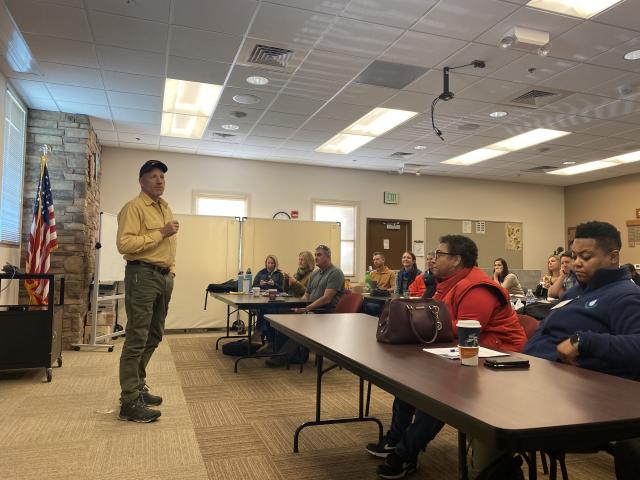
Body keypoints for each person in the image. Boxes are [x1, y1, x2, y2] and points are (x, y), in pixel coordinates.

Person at [473, 221, 640, 478]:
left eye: (586, 257)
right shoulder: (575, 293)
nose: (576, 263)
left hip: (576, 400)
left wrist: (584, 341)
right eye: (574, 256)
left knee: (487, 416)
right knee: (475, 406)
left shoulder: (625, 296)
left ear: (613, 256)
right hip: (534, 378)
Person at [366, 235, 527, 479]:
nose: (433, 258)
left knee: (439, 395)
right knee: (410, 383)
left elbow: (462, 330)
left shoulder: (477, 287)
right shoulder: (448, 283)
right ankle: (397, 439)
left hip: (498, 362)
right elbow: (439, 323)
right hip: (465, 356)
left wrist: (414, 326)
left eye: (439, 254)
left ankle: (404, 454)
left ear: (456, 260)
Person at [116, 160, 178, 423]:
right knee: (137, 336)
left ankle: (138, 385)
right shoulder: (134, 207)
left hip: (164, 277)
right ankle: (129, 400)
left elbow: (170, 246)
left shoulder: (165, 207)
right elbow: (124, 244)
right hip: (142, 274)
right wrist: (160, 233)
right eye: (153, 176)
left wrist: (172, 269)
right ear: (141, 181)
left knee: (154, 334)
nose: (159, 180)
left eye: (162, 176)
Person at [266, 245, 344, 367]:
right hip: (311, 310)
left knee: (299, 322)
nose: (316, 257)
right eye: (315, 255)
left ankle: (284, 357)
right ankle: (278, 352)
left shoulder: (335, 273)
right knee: (282, 315)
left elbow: (326, 299)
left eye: (319, 255)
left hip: (324, 313)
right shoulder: (315, 274)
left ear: (328, 257)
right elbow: (306, 296)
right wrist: (297, 307)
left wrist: (306, 309)